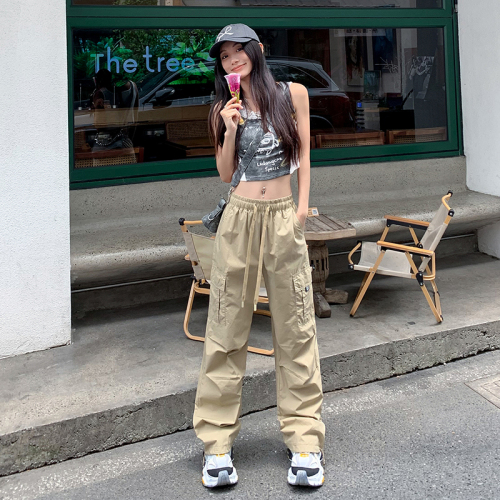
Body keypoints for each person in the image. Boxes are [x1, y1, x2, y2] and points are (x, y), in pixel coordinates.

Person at [193, 24, 325, 489]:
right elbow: (224, 172)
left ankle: (305, 440)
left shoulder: (293, 94)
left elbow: (305, 153)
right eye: (224, 56)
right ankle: (217, 445)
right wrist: (229, 129)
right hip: (239, 218)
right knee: (227, 325)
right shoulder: (220, 109)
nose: (233, 61)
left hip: (283, 215)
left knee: (296, 326)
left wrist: (303, 210)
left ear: (258, 50)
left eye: (239, 51)